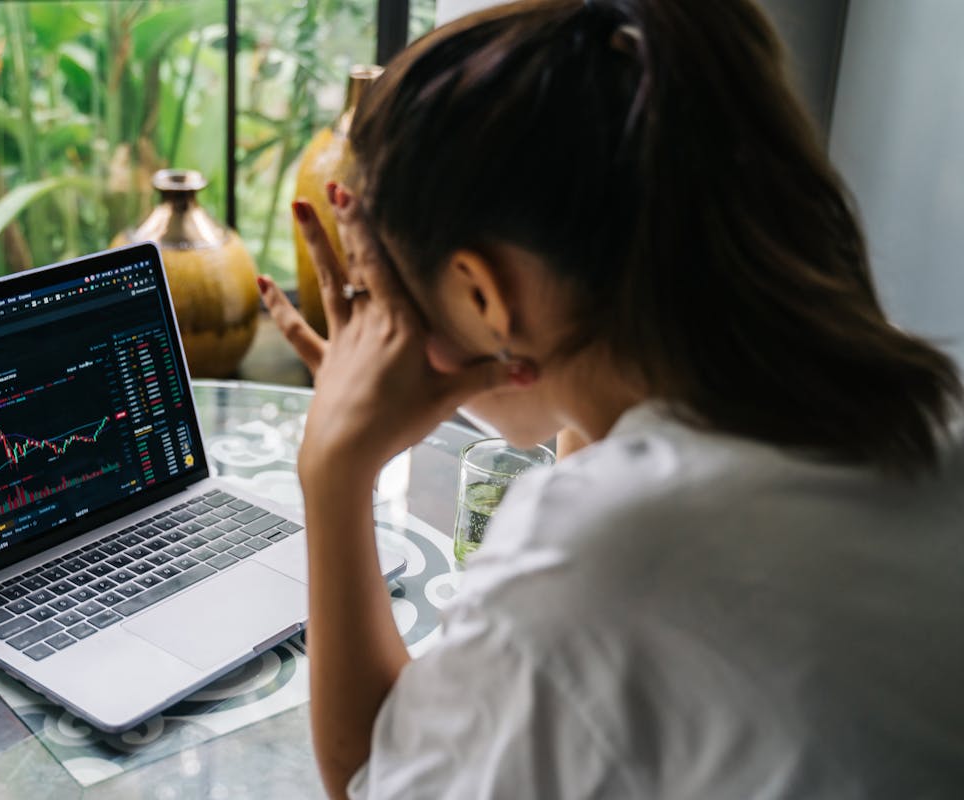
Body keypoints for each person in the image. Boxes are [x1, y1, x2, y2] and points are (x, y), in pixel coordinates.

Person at [256, 0, 964, 796]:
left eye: (389, 300)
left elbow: (374, 780)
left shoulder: (597, 553)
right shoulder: (932, 411)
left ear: (482, 292)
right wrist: (559, 380)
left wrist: (334, 461)